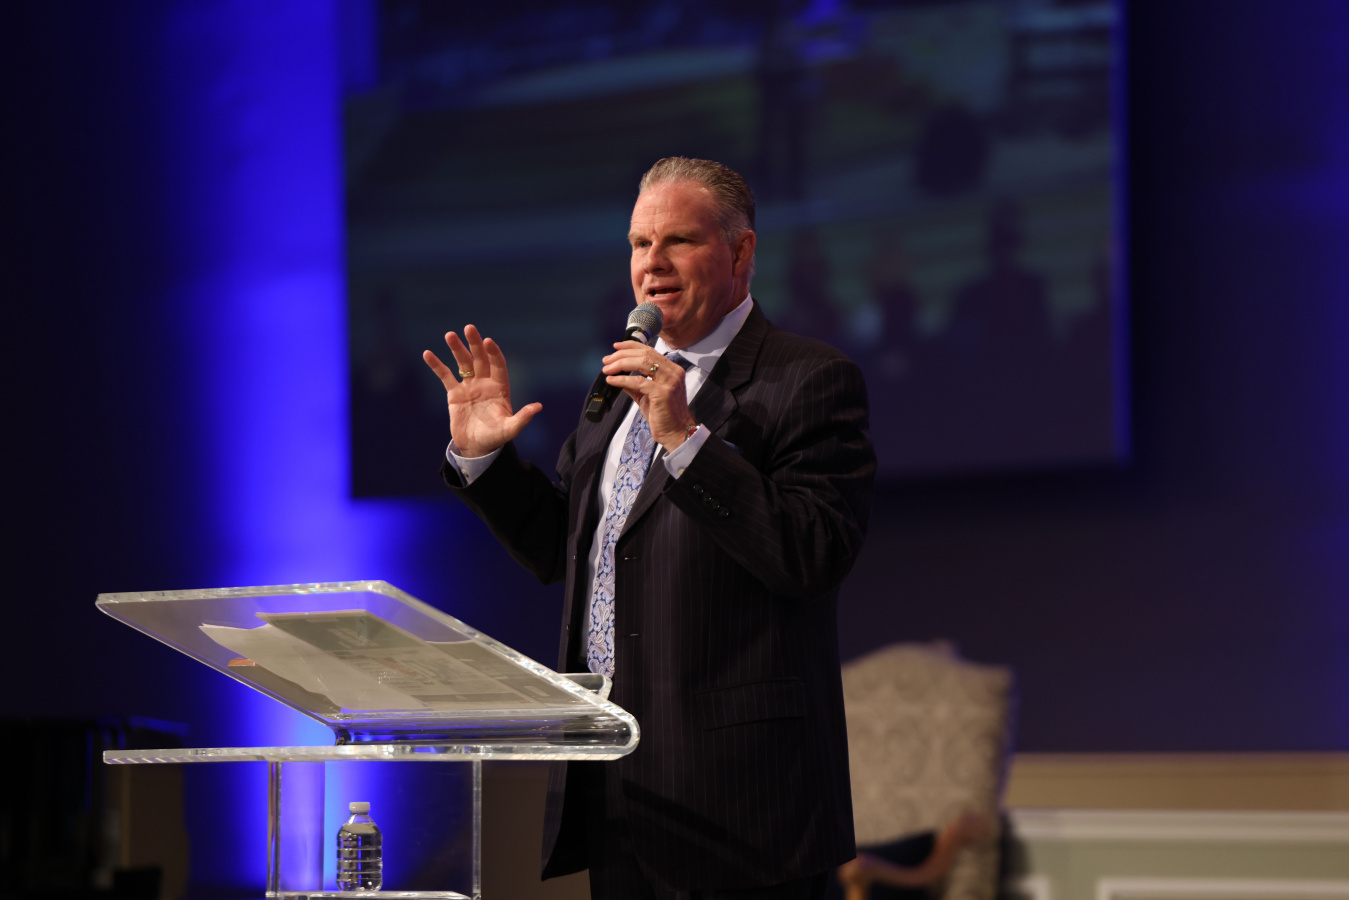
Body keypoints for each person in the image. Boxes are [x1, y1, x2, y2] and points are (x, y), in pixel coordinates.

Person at [423, 158, 876, 900]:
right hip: (617, 787)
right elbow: (564, 549)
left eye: (678, 241)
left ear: (740, 252)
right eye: (639, 243)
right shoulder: (615, 386)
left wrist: (684, 438)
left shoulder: (808, 379)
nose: (652, 264)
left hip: (743, 806)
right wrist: (485, 461)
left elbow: (810, 554)